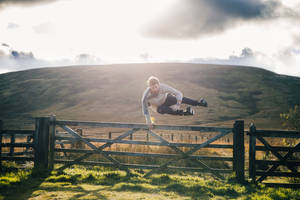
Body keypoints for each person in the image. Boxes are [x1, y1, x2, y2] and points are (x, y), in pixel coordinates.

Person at [141, 76, 207, 128]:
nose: (155, 89)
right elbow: (146, 111)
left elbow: (178, 93)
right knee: (163, 109)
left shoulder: (163, 86)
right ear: (149, 87)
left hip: (166, 99)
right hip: (158, 107)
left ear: (159, 84)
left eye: (156, 87)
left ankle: (199, 103)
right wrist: (149, 123)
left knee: (176, 98)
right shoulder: (146, 97)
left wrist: (177, 105)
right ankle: (185, 113)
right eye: (152, 88)